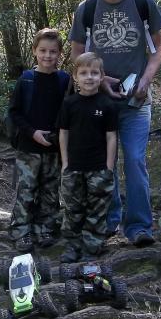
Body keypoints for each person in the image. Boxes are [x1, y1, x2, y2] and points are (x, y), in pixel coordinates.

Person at [68, 0, 161, 247]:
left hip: (136, 103)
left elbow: (159, 46)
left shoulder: (142, 2)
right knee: (103, 162)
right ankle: (109, 222)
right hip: (100, 102)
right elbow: (76, 55)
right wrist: (102, 81)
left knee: (135, 161)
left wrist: (146, 80)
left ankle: (139, 227)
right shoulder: (86, 9)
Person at [8, 28, 71, 252]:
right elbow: (14, 113)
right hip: (28, 147)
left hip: (54, 148)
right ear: (34, 51)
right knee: (26, 189)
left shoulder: (64, 80)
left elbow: (68, 112)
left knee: (50, 189)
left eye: (53, 51)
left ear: (60, 53)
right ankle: (21, 230)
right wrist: (33, 132)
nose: (47, 56)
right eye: (43, 50)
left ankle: (47, 228)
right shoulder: (26, 79)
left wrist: (57, 136)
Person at [57, 52, 118, 263]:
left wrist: (109, 167)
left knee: (97, 210)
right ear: (76, 76)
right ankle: (72, 246)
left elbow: (111, 137)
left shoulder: (107, 104)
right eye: (84, 73)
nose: (89, 77)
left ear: (102, 77)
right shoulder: (69, 103)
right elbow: (63, 133)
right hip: (73, 167)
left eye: (94, 73)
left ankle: (91, 246)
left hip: (99, 168)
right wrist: (65, 162)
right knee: (73, 210)